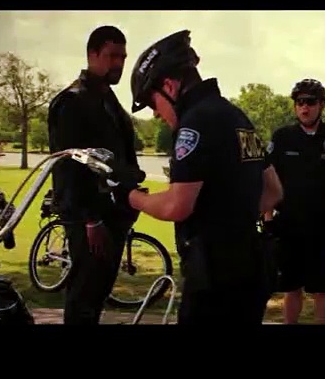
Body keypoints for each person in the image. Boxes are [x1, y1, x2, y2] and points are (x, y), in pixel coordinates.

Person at [121, 29, 283, 325]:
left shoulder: (195, 123)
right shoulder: (236, 115)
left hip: (214, 278)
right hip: (251, 267)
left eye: (153, 103)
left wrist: (131, 197)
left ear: (169, 86)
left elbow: (177, 206)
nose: (156, 114)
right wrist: (231, 215)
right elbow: (273, 191)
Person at [47, 25, 144, 325]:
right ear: (92, 54)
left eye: (122, 57)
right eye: (112, 56)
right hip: (89, 217)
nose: (119, 63)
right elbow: (69, 165)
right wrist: (91, 219)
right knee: (85, 295)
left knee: (98, 293)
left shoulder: (109, 99)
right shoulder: (72, 101)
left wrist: (131, 193)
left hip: (114, 213)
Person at [264, 78, 325, 324]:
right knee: (291, 287)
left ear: (321, 105)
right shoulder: (282, 137)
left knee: (321, 288)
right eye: (299, 102)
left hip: (323, 224)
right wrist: (268, 218)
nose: (304, 107)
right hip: (288, 223)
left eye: (310, 102)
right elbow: (268, 179)